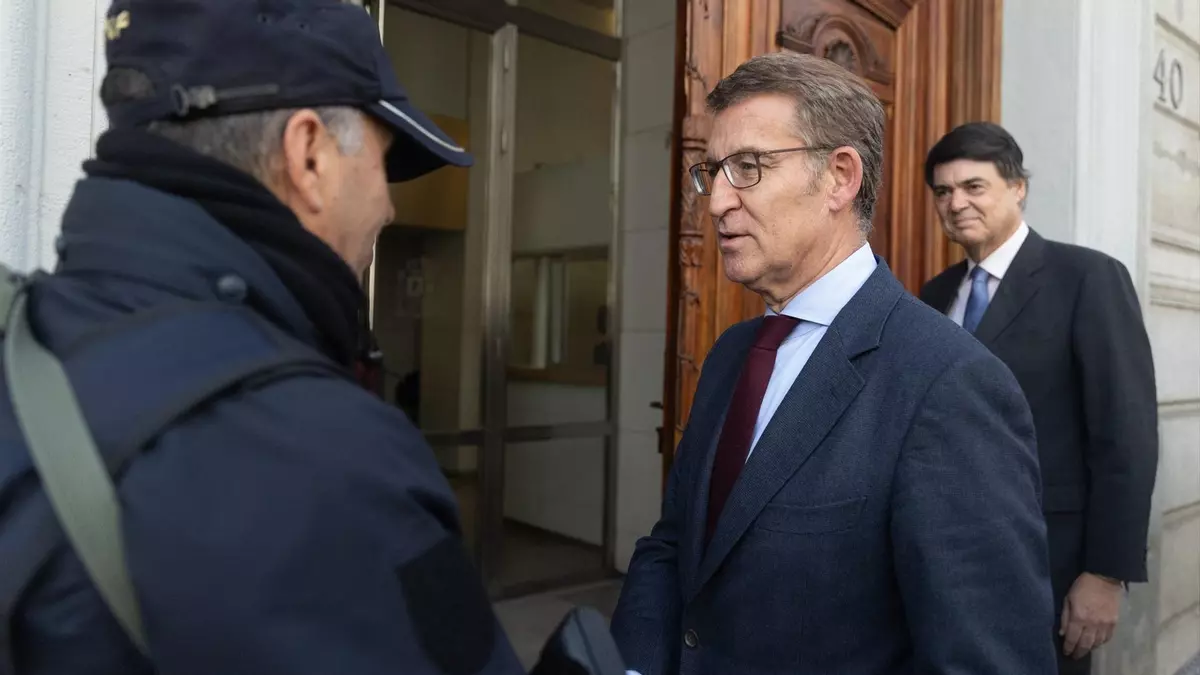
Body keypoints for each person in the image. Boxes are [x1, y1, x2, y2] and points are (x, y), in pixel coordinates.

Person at [0, 1, 528, 673]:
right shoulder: (339, 465)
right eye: (382, 159)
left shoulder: (23, 344)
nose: (389, 206)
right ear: (309, 155)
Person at [609, 52, 1057, 675]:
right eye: (714, 172)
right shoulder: (731, 354)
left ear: (840, 178)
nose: (716, 203)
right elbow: (674, 543)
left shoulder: (949, 384)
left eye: (749, 167)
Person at [919, 122, 1159, 674]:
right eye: (943, 191)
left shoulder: (1088, 278)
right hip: (944, 556)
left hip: (1050, 559)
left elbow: (1125, 434)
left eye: (974, 187)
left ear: (1017, 188)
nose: (956, 203)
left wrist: (1106, 572)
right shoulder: (935, 294)